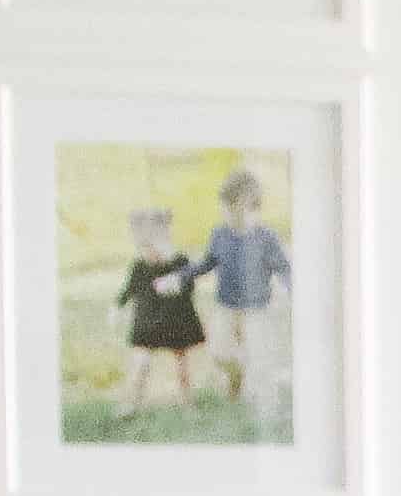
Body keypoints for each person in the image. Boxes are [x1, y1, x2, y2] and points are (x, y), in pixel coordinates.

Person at [196, 163, 291, 414]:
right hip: (225, 305)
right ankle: (240, 374)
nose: (223, 211)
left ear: (241, 204)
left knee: (261, 355)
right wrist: (179, 278)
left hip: (256, 308)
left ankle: (268, 408)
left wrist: (295, 291)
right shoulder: (220, 234)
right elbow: (206, 263)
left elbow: (284, 268)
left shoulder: (265, 238)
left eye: (226, 205)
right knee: (219, 352)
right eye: (223, 206)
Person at [114, 200, 211, 416]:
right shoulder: (139, 266)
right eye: (144, 248)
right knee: (140, 363)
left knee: (181, 364)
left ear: (165, 240)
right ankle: (132, 403)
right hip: (148, 322)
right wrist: (117, 307)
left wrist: (176, 284)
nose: (149, 253)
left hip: (176, 319)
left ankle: (187, 402)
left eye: (153, 246)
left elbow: (189, 283)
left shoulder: (178, 261)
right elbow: (129, 290)